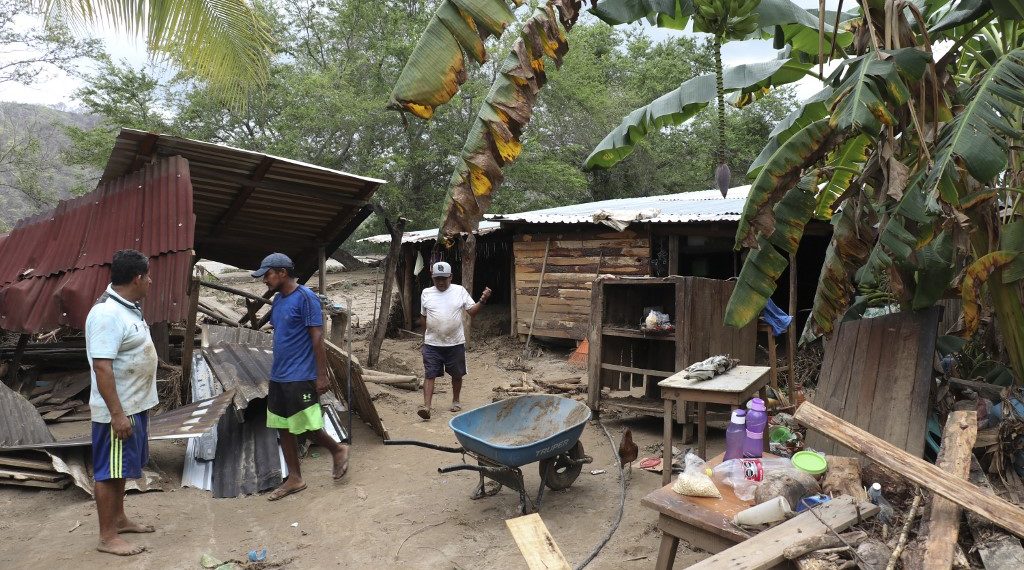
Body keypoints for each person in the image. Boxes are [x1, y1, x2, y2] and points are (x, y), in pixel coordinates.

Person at [252, 252, 349, 500]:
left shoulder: (306, 297)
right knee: (283, 426)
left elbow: (317, 337)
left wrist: (321, 374)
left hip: (301, 374)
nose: (264, 279)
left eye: (267, 274)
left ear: (282, 273)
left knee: (306, 425)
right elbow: (281, 331)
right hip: (280, 374)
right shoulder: (278, 300)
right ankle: (295, 478)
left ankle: (337, 449)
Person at [85, 249, 159, 556]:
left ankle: (119, 518)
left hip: (134, 404)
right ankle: (107, 537)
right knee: (110, 471)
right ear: (137, 278)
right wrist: (117, 414)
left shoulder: (127, 307)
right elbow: (102, 367)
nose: (151, 281)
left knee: (122, 469)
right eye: (148, 276)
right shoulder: (106, 315)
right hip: (118, 410)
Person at [418, 261, 491, 420]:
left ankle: (456, 400)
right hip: (432, 344)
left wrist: (483, 300)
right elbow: (423, 316)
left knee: (457, 374)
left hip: (455, 342)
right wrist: (425, 338)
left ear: (451, 277)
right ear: (432, 277)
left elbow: (472, 312)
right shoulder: (426, 293)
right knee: (429, 374)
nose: (441, 282)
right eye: (437, 279)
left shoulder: (459, 291)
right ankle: (426, 407)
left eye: (444, 278)